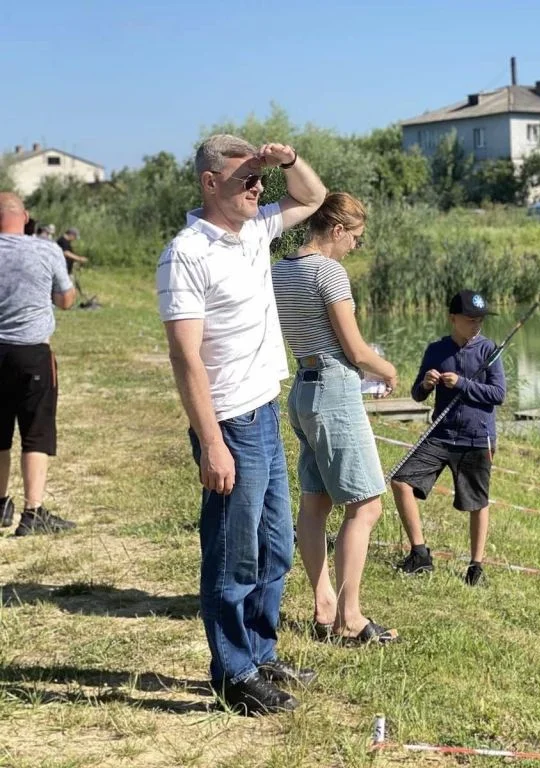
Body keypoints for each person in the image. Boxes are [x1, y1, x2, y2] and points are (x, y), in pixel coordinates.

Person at [157, 134, 326, 716]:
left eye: (260, 180)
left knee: (275, 548)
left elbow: (314, 196)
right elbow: (185, 357)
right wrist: (210, 442)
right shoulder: (186, 253)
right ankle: (232, 673)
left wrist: (285, 161)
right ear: (210, 184)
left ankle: (259, 652)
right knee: (233, 554)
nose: (258, 189)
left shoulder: (255, 228)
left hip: (266, 408)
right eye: (244, 180)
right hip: (229, 422)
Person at [271, 192, 399, 646]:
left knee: (315, 503)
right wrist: (387, 370)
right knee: (366, 505)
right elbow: (356, 349)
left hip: (303, 389)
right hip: (334, 391)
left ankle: (324, 603)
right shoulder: (329, 271)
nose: (355, 248)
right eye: (356, 238)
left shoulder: (281, 270)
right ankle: (350, 617)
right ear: (338, 230)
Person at [391, 290, 506, 586]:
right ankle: (420, 554)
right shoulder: (436, 350)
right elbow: (417, 395)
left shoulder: (489, 350)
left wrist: (462, 384)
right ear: (452, 318)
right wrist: (427, 384)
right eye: (470, 320)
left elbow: (498, 395)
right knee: (401, 480)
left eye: (480, 319)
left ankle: (476, 567)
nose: (476, 325)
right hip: (440, 434)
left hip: (477, 438)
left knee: (478, 502)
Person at [0, 192, 78, 535]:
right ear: (26, 216)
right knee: (35, 434)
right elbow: (65, 300)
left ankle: (0, 505)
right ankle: (33, 513)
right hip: (32, 353)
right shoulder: (45, 249)